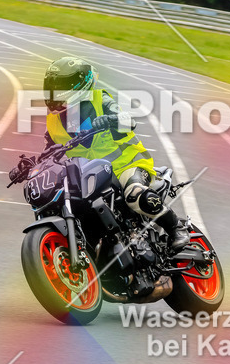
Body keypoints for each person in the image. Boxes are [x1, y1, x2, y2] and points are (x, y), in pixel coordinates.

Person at [42, 56, 189, 250]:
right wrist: (30, 163)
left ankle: (176, 227)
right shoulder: (53, 121)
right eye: (52, 87)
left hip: (126, 166)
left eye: (60, 88)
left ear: (77, 87)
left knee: (135, 194)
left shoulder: (99, 100)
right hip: (93, 176)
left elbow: (128, 121)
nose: (55, 93)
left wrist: (110, 119)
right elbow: (49, 151)